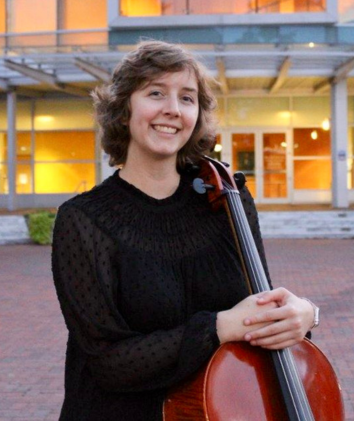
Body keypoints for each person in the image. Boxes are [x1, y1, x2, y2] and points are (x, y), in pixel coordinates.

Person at [52, 40, 317, 421]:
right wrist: (220, 327)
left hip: (225, 408)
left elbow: (259, 305)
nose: (172, 110)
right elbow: (107, 362)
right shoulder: (84, 220)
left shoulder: (228, 200)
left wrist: (306, 314)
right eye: (155, 93)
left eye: (187, 98)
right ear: (124, 108)